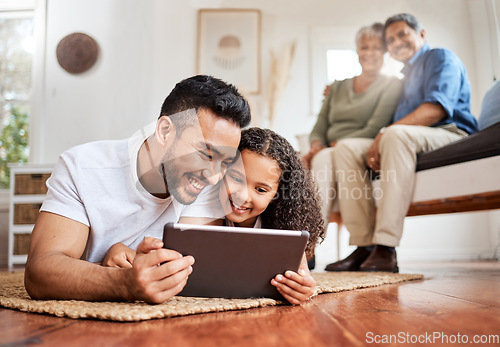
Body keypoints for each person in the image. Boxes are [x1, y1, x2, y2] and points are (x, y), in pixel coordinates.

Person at [24, 75, 251, 303]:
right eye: (206, 154)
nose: (213, 178)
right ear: (164, 131)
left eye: (225, 162)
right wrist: (123, 281)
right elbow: (40, 272)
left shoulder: (210, 185)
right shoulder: (83, 167)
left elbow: (195, 271)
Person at [326, 13, 478, 272]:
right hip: (412, 138)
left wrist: (385, 134)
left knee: (395, 135)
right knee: (347, 148)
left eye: (402, 34)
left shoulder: (440, 58)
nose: (397, 42)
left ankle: (386, 248)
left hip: (450, 132)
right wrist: (335, 91)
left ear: (421, 34)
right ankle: (364, 246)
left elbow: (435, 110)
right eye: (391, 39)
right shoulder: (402, 79)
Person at [105, 127, 326, 305]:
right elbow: (170, 255)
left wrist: (304, 287)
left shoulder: (284, 222)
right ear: (222, 172)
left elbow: (303, 275)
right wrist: (127, 253)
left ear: (278, 194)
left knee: (308, 258)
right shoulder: (204, 200)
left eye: (260, 190)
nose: (241, 196)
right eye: (236, 179)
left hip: (293, 247)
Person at [302, 23, 403, 229]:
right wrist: (316, 145)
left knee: (325, 158)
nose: (370, 53)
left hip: (363, 145)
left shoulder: (392, 85)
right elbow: (320, 125)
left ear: (385, 52)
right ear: (357, 51)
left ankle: (310, 242)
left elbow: (375, 126)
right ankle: (306, 239)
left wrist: (331, 147)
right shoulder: (337, 86)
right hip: (330, 149)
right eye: (365, 47)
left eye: (377, 47)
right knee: (317, 159)